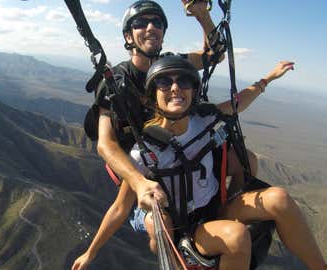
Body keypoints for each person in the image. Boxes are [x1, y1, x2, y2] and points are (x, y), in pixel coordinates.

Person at [73, 56, 327, 270]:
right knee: (236, 237)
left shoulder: (204, 120)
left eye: (184, 81)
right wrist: (91, 252)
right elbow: (120, 209)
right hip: (185, 232)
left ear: (194, 90)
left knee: (279, 199)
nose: (175, 87)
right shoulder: (145, 152)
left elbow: (239, 102)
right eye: (164, 82)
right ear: (154, 94)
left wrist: (268, 79)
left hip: (216, 208)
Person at [91, 0, 267, 213]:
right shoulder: (115, 83)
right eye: (140, 23)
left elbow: (215, 55)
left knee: (245, 160)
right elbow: (105, 144)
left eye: (157, 22)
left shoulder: (172, 64)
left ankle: (229, 213)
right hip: (148, 169)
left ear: (163, 33)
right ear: (128, 36)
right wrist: (137, 181)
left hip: (188, 149)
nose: (150, 27)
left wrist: (202, 15)